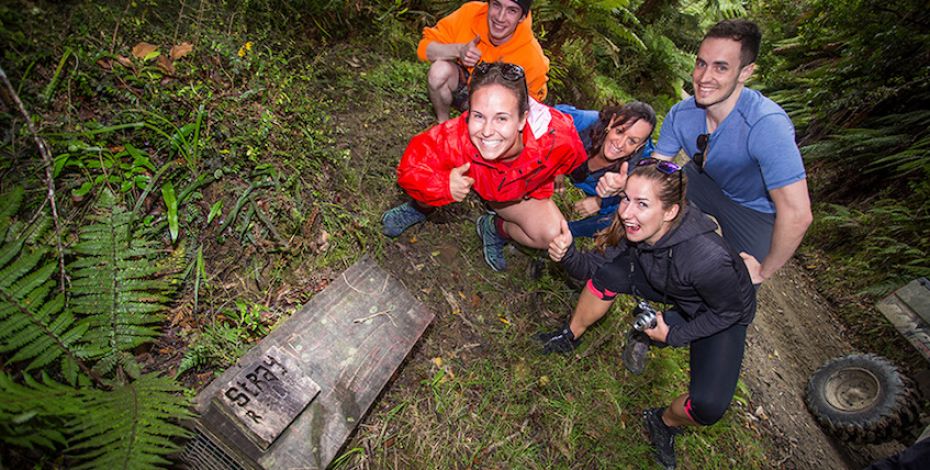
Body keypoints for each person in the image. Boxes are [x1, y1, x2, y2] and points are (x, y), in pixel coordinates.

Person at [542, 159, 757, 469]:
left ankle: (663, 422)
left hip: (718, 311)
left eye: (642, 204)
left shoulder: (706, 258)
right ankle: (570, 335)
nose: (627, 212)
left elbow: (729, 311)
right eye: (626, 198)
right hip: (664, 278)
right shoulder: (636, 229)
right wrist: (567, 255)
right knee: (611, 275)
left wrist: (675, 335)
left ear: (670, 211)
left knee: (708, 406)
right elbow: (594, 268)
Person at [597, 19, 812, 285]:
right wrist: (626, 185)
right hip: (701, 182)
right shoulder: (682, 114)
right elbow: (656, 167)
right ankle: (612, 265)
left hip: (754, 209)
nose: (703, 77)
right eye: (701, 63)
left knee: (735, 286)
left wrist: (764, 271)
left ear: (745, 72)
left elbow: (798, 214)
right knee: (646, 201)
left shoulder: (766, 125)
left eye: (720, 67)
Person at [381, 62, 586, 272]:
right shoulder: (456, 137)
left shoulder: (555, 136)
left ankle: (494, 228)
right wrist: (443, 185)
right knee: (430, 178)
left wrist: (558, 170)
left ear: (522, 119)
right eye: (479, 116)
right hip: (476, 176)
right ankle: (417, 209)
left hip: (514, 192)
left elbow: (574, 155)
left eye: (501, 118)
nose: (487, 131)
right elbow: (410, 168)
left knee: (552, 234)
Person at [417, 0, 549, 122]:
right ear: (488, 4)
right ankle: (442, 125)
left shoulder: (532, 57)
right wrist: (458, 50)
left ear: (522, 17)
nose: (500, 17)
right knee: (439, 72)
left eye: (512, 10)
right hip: (466, 87)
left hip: (499, 106)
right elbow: (425, 49)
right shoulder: (469, 15)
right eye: (497, 5)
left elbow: (530, 110)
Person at [556, 102, 656, 237]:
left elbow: (649, 199)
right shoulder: (587, 122)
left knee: (623, 214)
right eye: (620, 131)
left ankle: (566, 233)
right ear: (611, 122)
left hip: (597, 191)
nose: (620, 144)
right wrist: (557, 163)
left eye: (632, 141)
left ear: (640, 146)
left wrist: (601, 202)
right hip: (571, 169)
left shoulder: (640, 168)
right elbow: (544, 119)